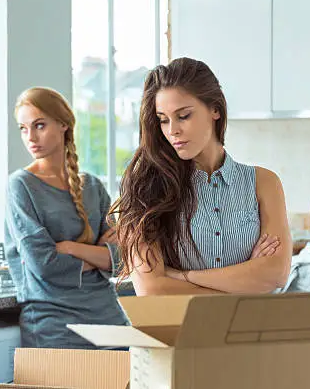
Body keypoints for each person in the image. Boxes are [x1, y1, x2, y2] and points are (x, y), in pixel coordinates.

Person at [111, 57, 293, 295]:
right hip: (176, 331)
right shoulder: (146, 189)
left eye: (183, 116)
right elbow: (152, 289)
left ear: (215, 109)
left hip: (249, 330)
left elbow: (275, 273)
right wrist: (247, 282)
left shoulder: (264, 183)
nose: (173, 130)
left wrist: (181, 276)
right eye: (163, 120)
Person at [4, 86, 128, 349]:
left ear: (63, 125)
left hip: (109, 319)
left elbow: (121, 257)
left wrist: (71, 248)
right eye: (23, 128)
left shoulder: (92, 186)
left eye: (39, 125)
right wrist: (96, 254)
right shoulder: (21, 186)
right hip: (54, 326)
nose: (30, 137)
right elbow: (45, 266)